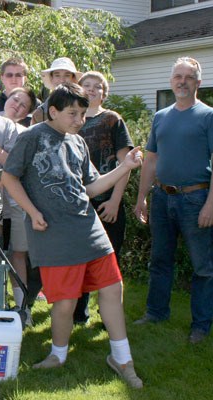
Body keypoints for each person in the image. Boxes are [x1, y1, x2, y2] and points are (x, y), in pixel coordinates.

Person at [1, 83, 144, 388]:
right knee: (65, 302)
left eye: (82, 113)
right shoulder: (31, 137)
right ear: (53, 111)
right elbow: (9, 177)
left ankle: (122, 358)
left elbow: (91, 187)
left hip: (89, 228)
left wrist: (125, 166)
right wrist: (32, 211)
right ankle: (57, 355)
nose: (80, 119)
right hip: (53, 233)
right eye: (72, 113)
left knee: (112, 289)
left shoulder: (78, 143)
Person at [134, 57, 213, 344]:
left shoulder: (210, 116)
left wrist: (211, 203)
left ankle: (201, 326)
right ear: (171, 81)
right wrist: (142, 198)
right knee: (160, 260)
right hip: (162, 197)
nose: (182, 81)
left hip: (195, 198)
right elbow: (150, 160)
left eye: (189, 77)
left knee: (203, 266)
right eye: (178, 76)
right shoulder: (161, 117)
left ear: (198, 83)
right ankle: (156, 312)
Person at [70, 71, 134, 325]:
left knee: (110, 264)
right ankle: (79, 313)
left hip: (107, 201)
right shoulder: (72, 121)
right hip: (78, 202)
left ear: (104, 93)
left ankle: (109, 318)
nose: (92, 89)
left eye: (98, 86)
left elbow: (125, 164)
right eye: (87, 85)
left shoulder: (113, 120)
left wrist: (115, 201)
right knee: (80, 260)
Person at [0, 86, 37, 327]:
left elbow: (13, 165)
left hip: (14, 202)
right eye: (15, 99)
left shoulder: (25, 134)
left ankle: (22, 308)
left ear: (26, 113)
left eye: (23, 105)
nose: (17, 105)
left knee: (17, 254)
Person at [31, 57, 81, 125]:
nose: (62, 80)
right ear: (51, 78)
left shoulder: (84, 107)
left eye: (67, 75)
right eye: (57, 75)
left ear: (73, 78)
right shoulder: (40, 114)